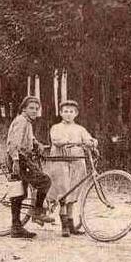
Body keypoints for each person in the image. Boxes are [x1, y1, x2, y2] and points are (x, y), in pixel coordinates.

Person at [46, 100, 98, 237]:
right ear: (61, 113)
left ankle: (71, 224)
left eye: (71, 111)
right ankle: (64, 226)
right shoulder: (56, 127)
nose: (68, 114)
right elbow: (56, 141)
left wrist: (92, 143)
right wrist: (68, 142)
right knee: (64, 192)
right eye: (65, 111)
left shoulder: (80, 129)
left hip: (77, 163)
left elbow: (88, 139)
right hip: (61, 163)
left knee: (73, 192)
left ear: (76, 114)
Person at [6, 95, 53, 239]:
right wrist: (15, 160)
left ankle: (16, 227)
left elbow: (29, 138)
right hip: (18, 158)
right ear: (24, 109)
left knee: (20, 193)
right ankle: (37, 212)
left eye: (36, 109)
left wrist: (36, 143)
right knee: (45, 181)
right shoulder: (21, 121)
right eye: (31, 108)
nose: (34, 111)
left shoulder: (27, 122)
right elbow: (14, 143)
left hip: (22, 158)